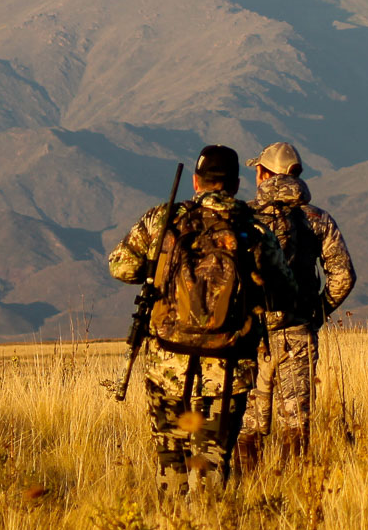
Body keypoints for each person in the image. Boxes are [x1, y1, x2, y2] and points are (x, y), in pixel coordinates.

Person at [107, 144, 296, 495]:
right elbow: (285, 292)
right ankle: (210, 527)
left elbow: (120, 265)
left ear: (196, 182)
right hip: (227, 369)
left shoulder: (163, 221)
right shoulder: (253, 231)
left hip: (167, 365)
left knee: (170, 458)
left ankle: (173, 528)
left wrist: (160, 268)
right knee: (211, 461)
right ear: (237, 185)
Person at [235, 141, 356, 470]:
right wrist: (316, 313)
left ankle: (246, 502)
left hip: (251, 338)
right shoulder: (317, 219)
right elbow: (343, 277)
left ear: (262, 173)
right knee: (297, 425)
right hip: (298, 332)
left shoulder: (242, 218)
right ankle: (295, 497)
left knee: (247, 429)